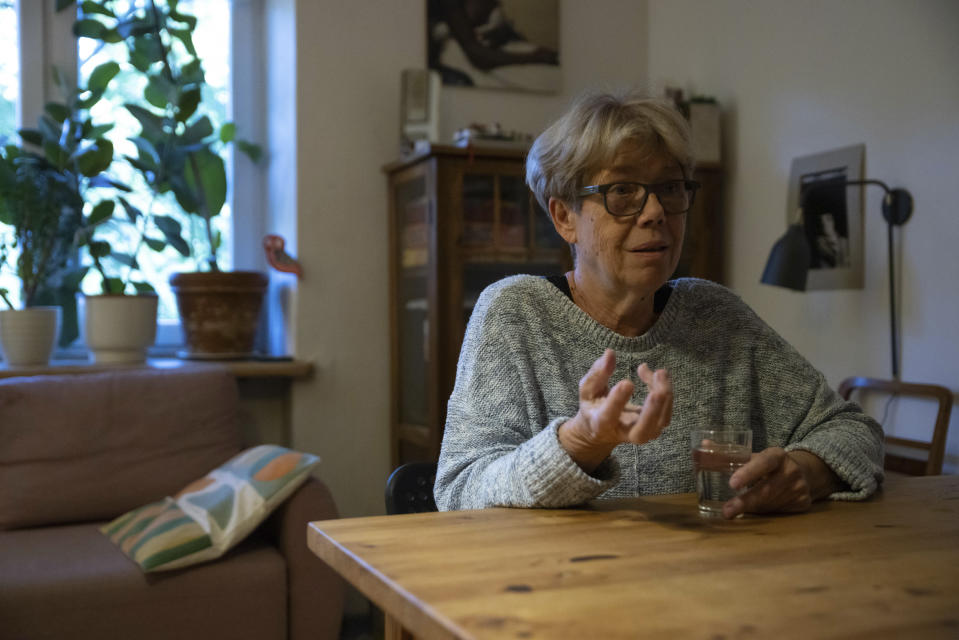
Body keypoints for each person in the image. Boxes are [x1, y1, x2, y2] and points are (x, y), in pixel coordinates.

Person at [434, 89, 884, 518]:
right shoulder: (514, 313)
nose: (654, 212)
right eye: (622, 191)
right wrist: (580, 442)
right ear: (564, 217)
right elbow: (459, 492)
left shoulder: (717, 316)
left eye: (669, 188)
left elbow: (853, 430)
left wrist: (804, 473)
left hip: (711, 584)